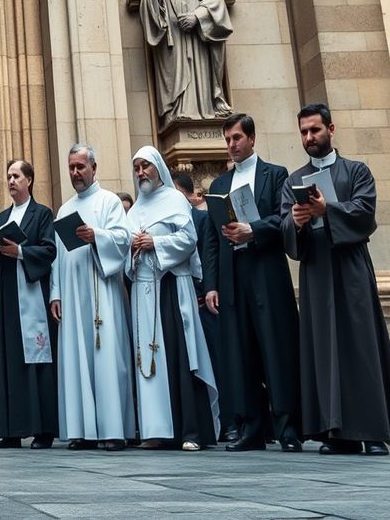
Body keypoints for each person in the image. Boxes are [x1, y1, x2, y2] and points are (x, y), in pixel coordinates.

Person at [280, 103, 390, 456]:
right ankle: (336, 432)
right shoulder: (294, 180)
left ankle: (373, 431)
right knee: (323, 347)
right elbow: (284, 226)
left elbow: (365, 212)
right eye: (304, 132)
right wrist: (296, 221)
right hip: (316, 270)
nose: (309, 138)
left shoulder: (356, 171)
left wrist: (329, 210)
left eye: (315, 130)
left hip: (351, 265)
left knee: (361, 346)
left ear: (331, 128)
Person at [201, 114, 301, 452]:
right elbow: (213, 241)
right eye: (227, 139)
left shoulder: (276, 175)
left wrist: (253, 230)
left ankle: (287, 428)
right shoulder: (218, 185)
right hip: (232, 277)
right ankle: (251, 426)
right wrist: (211, 285)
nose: (231, 145)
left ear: (252, 139)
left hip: (266, 271)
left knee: (275, 347)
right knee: (239, 351)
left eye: (237, 138)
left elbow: (285, 218)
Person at [126, 146, 219, 451]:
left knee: (180, 355)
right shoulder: (134, 210)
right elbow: (124, 252)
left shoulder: (175, 200)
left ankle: (190, 431)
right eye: (137, 168)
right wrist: (133, 251)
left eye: (146, 166)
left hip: (170, 286)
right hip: (144, 289)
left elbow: (189, 239)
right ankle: (157, 430)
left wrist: (155, 242)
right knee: (149, 360)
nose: (141, 173)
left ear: (158, 168)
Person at [50, 144, 134, 451]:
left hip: (102, 294)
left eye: (80, 167)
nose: (75, 173)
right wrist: (55, 294)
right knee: (77, 360)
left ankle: (113, 430)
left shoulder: (109, 202)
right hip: (72, 298)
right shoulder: (64, 209)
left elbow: (123, 240)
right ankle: (81, 430)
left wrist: (96, 236)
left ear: (94, 168)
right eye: (71, 167)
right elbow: (58, 257)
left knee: (107, 358)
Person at [0, 159, 59, 449]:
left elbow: (49, 250)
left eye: (16, 176)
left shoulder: (42, 214)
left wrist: (20, 251)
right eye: (8, 176)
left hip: (31, 297)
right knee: (10, 361)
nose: (10, 181)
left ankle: (43, 431)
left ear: (29, 180)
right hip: (7, 299)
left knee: (36, 361)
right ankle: (11, 431)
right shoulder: (2, 217)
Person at [173, 171, 237, 443]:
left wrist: (208, 290)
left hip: (203, 302)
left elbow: (209, 254)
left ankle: (229, 421)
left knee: (218, 362)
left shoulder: (200, 218)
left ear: (187, 194)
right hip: (179, 305)